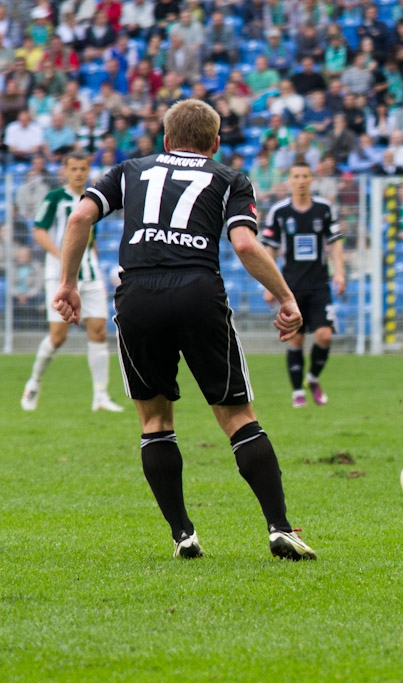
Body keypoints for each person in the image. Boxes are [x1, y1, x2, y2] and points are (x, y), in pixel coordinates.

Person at [52, 99, 317, 560]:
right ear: (215, 143)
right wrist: (286, 296)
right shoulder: (228, 177)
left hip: (137, 297)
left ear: (166, 140)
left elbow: (79, 219)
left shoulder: (130, 169)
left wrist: (68, 284)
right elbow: (244, 243)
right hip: (198, 293)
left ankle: (183, 535)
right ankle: (279, 528)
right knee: (237, 417)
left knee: (155, 423)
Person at [21, 153, 123, 413]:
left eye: (83, 168)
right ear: (64, 171)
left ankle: (100, 395)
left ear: (89, 170)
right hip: (60, 274)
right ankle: (33, 382)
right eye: (74, 168)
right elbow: (39, 230)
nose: (78, 173)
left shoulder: (91, 199)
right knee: (58, 336)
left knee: (99, 330)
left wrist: (94, 260)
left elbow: (91, 238)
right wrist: (62, 255)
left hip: (89, 275)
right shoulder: (55, 198)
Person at [261, 161, 346, 408]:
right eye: (296, 176)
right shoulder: (279, 212)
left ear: (311, 180)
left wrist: (339, 273)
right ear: (289, 180)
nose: (300, 180)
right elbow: (269, 250)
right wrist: (269, 285)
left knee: (325, 336)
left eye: (304, 176)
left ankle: (313, 378)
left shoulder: (324, 208)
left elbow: (335, 242)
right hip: (291, 288)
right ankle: (297, 391)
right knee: (295, 340)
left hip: (320, 284)